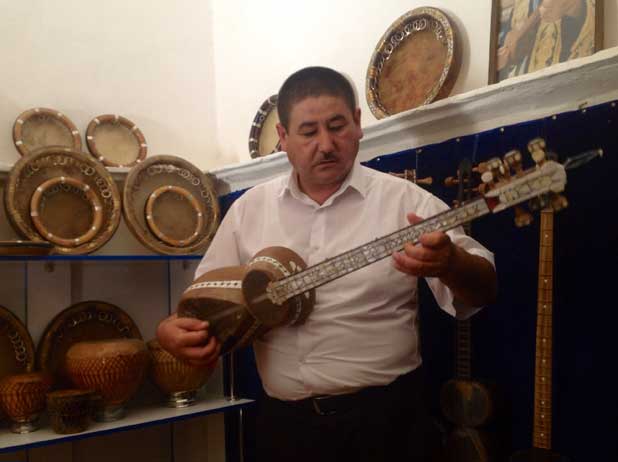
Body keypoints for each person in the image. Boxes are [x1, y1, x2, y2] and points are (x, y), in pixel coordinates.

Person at [156, 66, 497, 461]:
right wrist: (170, 331)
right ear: (282, 138)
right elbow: (203, 302)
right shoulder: (249, 210)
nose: (326, 144)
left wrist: (450, 263)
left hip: (388, 426)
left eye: (337, 126)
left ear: (357, 123)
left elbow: (484, 289)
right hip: (285, 429)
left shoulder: (406, 203)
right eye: (308, 131)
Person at [497, 0, 595, 81]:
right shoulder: (521, 3)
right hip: (523, 90)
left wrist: (575, 7)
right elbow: (509, 38)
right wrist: (507, 57)